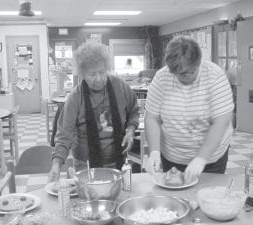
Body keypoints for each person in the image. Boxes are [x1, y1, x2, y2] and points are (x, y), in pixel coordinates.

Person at [145, 36, 234, 182]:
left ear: (198, 63)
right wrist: (154, 151)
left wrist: (201, 158)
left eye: (190, 72)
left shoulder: (215, 77)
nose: (185, 77)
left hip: (210, 158)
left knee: (205, 197)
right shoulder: (162, 77)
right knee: (176, 199)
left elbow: (220, 123)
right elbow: (152, 117)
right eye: (179, 73)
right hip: (172, 156)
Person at [48, 42, 139, 182]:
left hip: (118, 162)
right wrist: (56, 165)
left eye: (102, 72)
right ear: (82, 74)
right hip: (86, 166)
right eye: (92, 74)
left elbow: (133, 110)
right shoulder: (75, 97)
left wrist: (130, 131)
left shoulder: (119, 86)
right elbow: (64, 136)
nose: (98, 78)